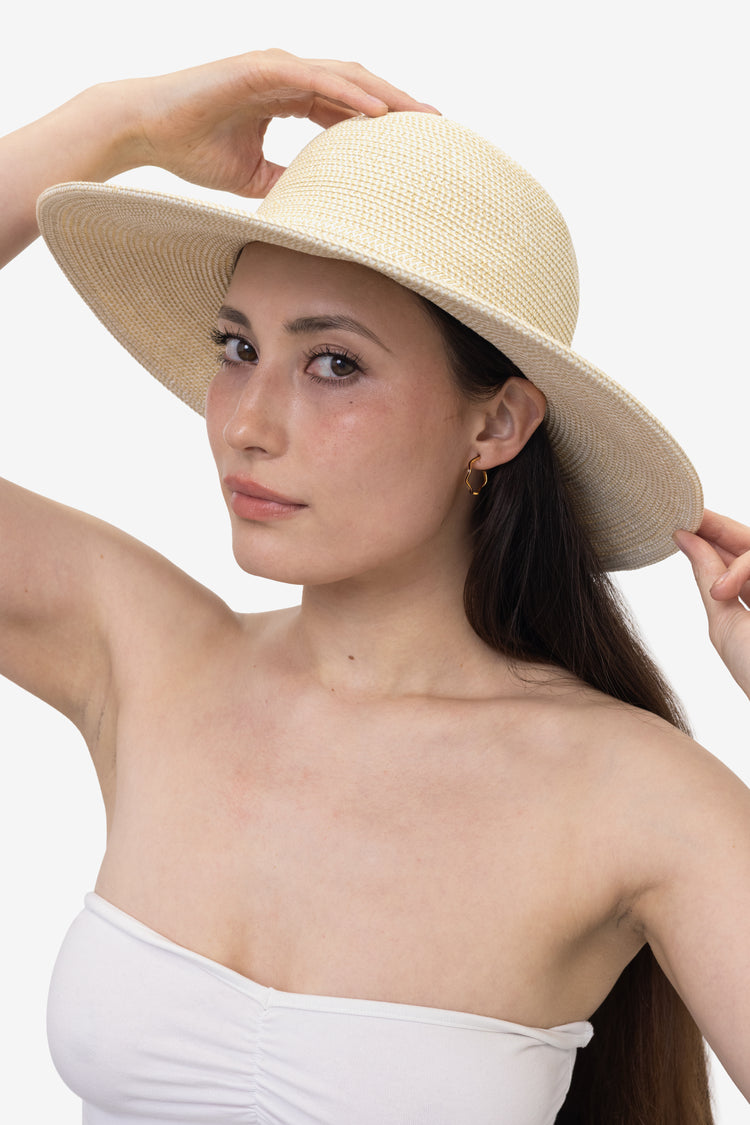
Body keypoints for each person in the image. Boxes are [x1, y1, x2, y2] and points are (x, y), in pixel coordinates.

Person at [1, 47, 748, 1125]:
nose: (247, 424)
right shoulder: (146, 659)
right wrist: (116, 125)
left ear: (496, 423)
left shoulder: (637, 796)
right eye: (237, 347)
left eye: (334, 363)